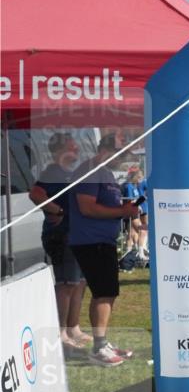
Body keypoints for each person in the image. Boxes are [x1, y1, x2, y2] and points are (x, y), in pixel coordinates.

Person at [68, 134, 141, 366]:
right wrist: (122, 212)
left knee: (108, 291)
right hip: (90, 241)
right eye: (122, 155)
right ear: (109, 150)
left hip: (103, 241)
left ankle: (102, 342)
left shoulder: (105, 173)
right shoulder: (90, 170)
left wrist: (124, 208)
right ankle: (99, 347)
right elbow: (87, 207)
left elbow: (104, 204)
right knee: (103, 292)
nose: (123, 160)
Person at [29, 132, 91, 357]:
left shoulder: (73, 172)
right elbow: (35, 194)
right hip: (62, 236)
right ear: (59, 150)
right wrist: (57, 210)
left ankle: (74, 328)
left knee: (80, 282)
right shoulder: (52, 171)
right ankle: (61, 332)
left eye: (76, 148)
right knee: (67, 284)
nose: (76, 152)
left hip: (81, 235)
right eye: (72, 148)